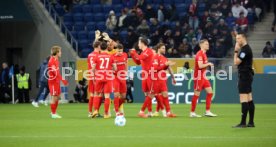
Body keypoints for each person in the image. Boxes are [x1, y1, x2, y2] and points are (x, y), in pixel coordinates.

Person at [130, 38, 175, 118]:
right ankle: (151, 112)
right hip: (147, 76)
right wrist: (133, 55)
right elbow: (138, 62)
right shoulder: (145, 52)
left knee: (153, 94)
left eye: (139, 43)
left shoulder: (148, 51)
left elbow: (139, 58)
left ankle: (164, 112)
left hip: (151, 75)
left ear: (143, 43)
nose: (138, 45)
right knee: (150, 94)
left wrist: (133, 52)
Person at [190, 39, 217, 118]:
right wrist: (208, 63)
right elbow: (200, 65)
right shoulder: (200, 54)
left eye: (208, 44)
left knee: (210, 92)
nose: (208, 45)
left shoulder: (204, 54)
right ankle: (192, 112)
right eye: (206, 44)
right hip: (198, 76)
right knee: (196, 94)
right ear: (201, 45)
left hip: (203, 76)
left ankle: (207, 111)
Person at [233, 33, 255, 128]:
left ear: (243, 38)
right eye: (236, 38)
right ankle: (251, 122)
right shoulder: (246, 49)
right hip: (247, 75)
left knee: (243, 99)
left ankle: (243, 123)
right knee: (249, 99)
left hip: (245, 75)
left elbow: (236, 62)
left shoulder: (244, 50)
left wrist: (235, 51)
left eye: (239, 38)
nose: (237, 40)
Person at [91, 41, 117, 118]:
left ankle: (95, 110)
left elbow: (93, 69)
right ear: (106, 48)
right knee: (107, 96)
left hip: (99, 77)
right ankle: (106, 114)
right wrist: (110, 69)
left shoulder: (97, 56)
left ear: (100, 48)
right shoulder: (111, 56)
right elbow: (115, 68)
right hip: (108, 77)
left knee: (97, 94)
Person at [152, 43, 177, 118]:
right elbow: (155, 69)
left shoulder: (165, 58)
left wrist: (173, 78)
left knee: (165, 95)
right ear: (158, 49)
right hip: (156, 79)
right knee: (156, 96)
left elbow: (168, 68)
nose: (164, 49)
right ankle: (152, 111)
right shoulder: (155, 57)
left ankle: (168, 112)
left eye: (164, 48)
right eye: (163, 48)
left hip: (163, 80)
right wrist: (165, 65)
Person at [48, 46, 68, 119]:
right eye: (60, 51)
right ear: (56, 52)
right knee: (54, 97)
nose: (61, 53)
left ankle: (54, 112)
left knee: (58, 97)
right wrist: (63, 80)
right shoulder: (52, 61)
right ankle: (53, 113)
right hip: (53, 81)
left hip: (56, 81)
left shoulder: (56, 60)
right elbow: (55, 72)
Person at [87, 38, 101, 118]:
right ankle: (96, 111)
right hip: (97, 76)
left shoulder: (89, 55)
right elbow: (96, 67)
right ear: (98, 46)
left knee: (92, 94)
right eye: (100, 46)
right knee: (97, 94)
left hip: (90, 75)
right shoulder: (98, 55)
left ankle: (90, 112)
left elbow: (89, 65)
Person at [113, 43, 128, 116]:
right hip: (115, 77)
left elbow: (126, 63)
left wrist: (126, 72)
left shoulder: (125, 55)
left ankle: (116, 106)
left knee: (123, 96)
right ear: (116, 50)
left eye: (121, 51)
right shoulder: (112, 56)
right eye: (118, 51)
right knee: (116, 94)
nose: (120, 53)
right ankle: (116, 111)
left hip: (123, 77)